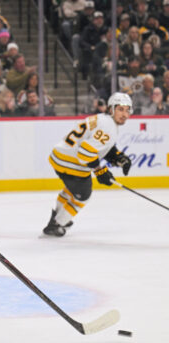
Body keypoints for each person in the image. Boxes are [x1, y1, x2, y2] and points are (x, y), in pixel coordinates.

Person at [43, 93, 133, 237]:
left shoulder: (103, 119)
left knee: (72, 190)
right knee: (84, 195)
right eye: (120, 109)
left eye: (127, 110)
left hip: (59, 156)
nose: (125, 114)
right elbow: (85, 152)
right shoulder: (109, 126)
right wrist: (100, 171)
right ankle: (57, 224)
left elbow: (100, 146)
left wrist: (118, 157)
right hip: (71, 163)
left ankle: (57, 217)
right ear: (111, 109)